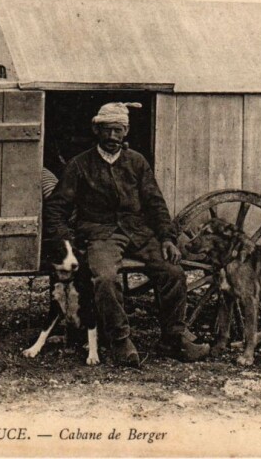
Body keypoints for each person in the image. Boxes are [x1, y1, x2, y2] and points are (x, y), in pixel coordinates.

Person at [43, 102, 209, 367]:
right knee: (106, 278)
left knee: (173, 273)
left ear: (126, 131)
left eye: (118, 131)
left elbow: (155, 203)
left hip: (138, 233)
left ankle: (173, 339)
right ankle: (120, 341)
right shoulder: (80, 165)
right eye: (107, 130)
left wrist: (167, 238)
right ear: (96, 130)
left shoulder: (136, 162)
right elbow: (56, 208)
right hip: (100, 235)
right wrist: (68, 244)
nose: (112, 137)